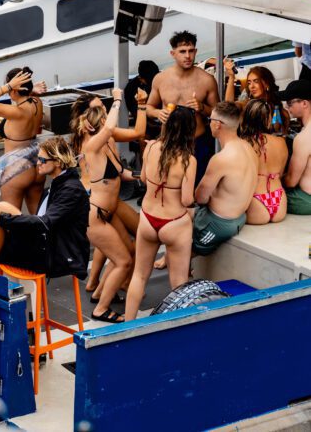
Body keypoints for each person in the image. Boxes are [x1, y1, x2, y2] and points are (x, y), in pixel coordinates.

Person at [0, 136, 89, 281]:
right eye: (38, 159)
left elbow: (45, 222)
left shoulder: (70, 190)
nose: (38, 163)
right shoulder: (62, 183)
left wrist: (2, 219)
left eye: (43, 160)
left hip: (54, 255)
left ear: (58, 161)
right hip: (46, 243)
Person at [70, 90, 147, 301]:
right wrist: (117, 99)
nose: (104, 111)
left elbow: (122, 172)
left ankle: (100, 290)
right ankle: (101, 302)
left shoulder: (104, 142)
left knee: (124, 252)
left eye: (103, 108)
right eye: (99, 110)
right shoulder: (91, 143)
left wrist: (144, 175)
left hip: (107, 206)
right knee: (122, 259)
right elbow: (110, 127)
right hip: (94, 208)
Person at [125, 107, 197, 321]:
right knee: (179, 283)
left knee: (139, 275)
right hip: (174, 223)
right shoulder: (188, 160)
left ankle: (127, 325)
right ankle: (180, 328)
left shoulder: (152, 147)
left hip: (148, 218)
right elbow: (186, 199)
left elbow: (145, 180)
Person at [147, 31, 220, 184]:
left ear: (196, 51)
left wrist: (202, 107)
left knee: (197, 188)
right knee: (168, 185)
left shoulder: (207, 80)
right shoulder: (160, 79)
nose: (187, 56)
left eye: (191, 51)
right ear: (173, 53)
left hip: (197, 142)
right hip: (169, 142)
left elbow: (218, 113)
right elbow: (148, 107)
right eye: (182, 51)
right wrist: (158, 113)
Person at [192, 101, 258, 255]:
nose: (209, 124)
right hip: (240, 217)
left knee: (181, 243)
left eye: (210, 121)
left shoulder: (221, 159)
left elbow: (200, 197)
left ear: (217, 124)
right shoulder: (249, 147)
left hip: (218, 224)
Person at [0, 67, 45, 213]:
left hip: (17, 168)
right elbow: (27, 98)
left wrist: (7, 86)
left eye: (9, 89)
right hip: (38, 164)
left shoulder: (16, 112)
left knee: (11, 220)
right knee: (39, 218)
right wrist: (30, 91)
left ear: (13, 89)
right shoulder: (36, 102)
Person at [238, 100, 288, 224]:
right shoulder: (281, 142)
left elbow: (240, 178)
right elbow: (281, 173)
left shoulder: (243, 144)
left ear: (247, 118)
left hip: (255, 199)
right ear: (268, 119)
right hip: (279, 200)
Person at [224, 62, 289, 134]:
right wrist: (231, 77)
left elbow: (282, 138)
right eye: (249, 83)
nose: (252, 86)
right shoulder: (245, 105)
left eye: (256, 81)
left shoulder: (282, 113)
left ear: (267, 83)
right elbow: (228, 107)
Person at [281, 80, 311, 215]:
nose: (287, 107)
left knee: (262, 197)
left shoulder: (304, 137)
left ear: (304, 103)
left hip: (306, 200)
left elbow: (291, 182)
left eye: (290, 103)